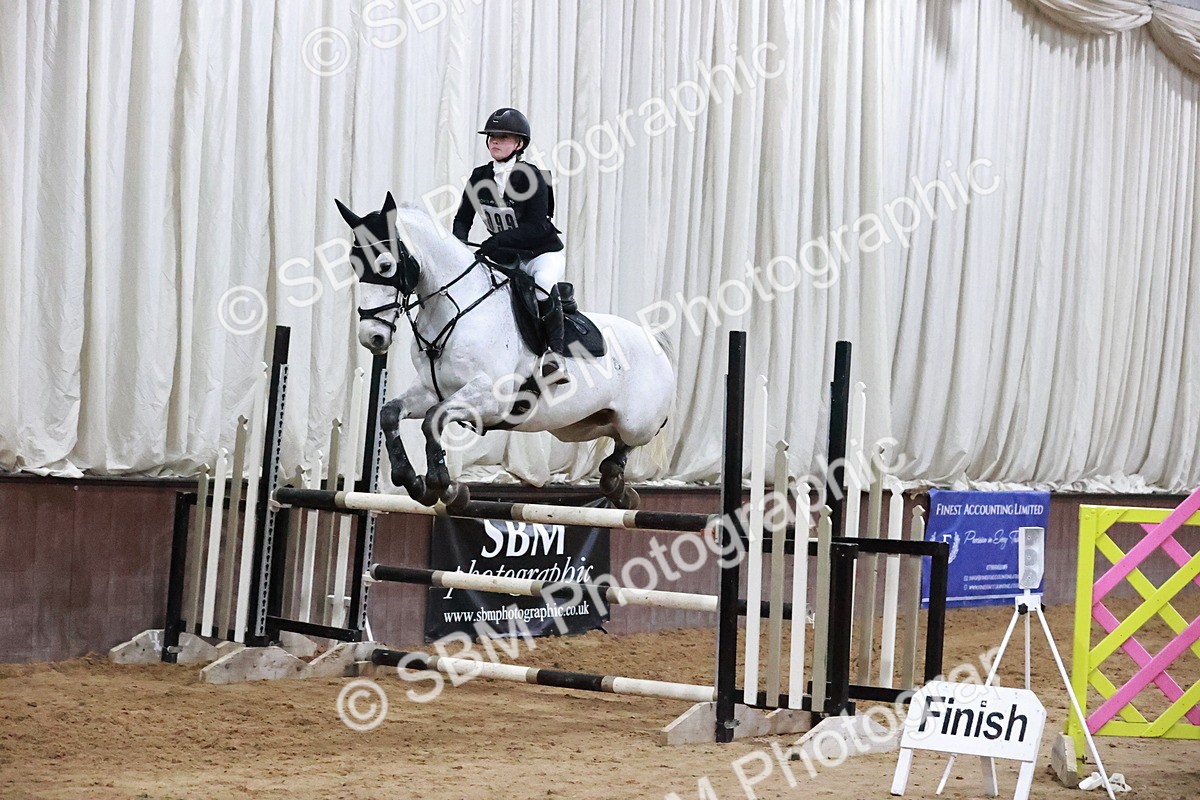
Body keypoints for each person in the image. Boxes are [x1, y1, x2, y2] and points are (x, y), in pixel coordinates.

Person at [453, 107, 569, 382]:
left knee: (541, 284)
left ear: (519, 144)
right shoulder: (479, 176)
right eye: (492, 136)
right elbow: (462, 218)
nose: (495, 140)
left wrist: (498, 240)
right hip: (503, 256)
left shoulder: (535, 177)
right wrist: (458, 248)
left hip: (540, 254)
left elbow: (538, 226)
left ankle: (555, 355)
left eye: (504, 137)